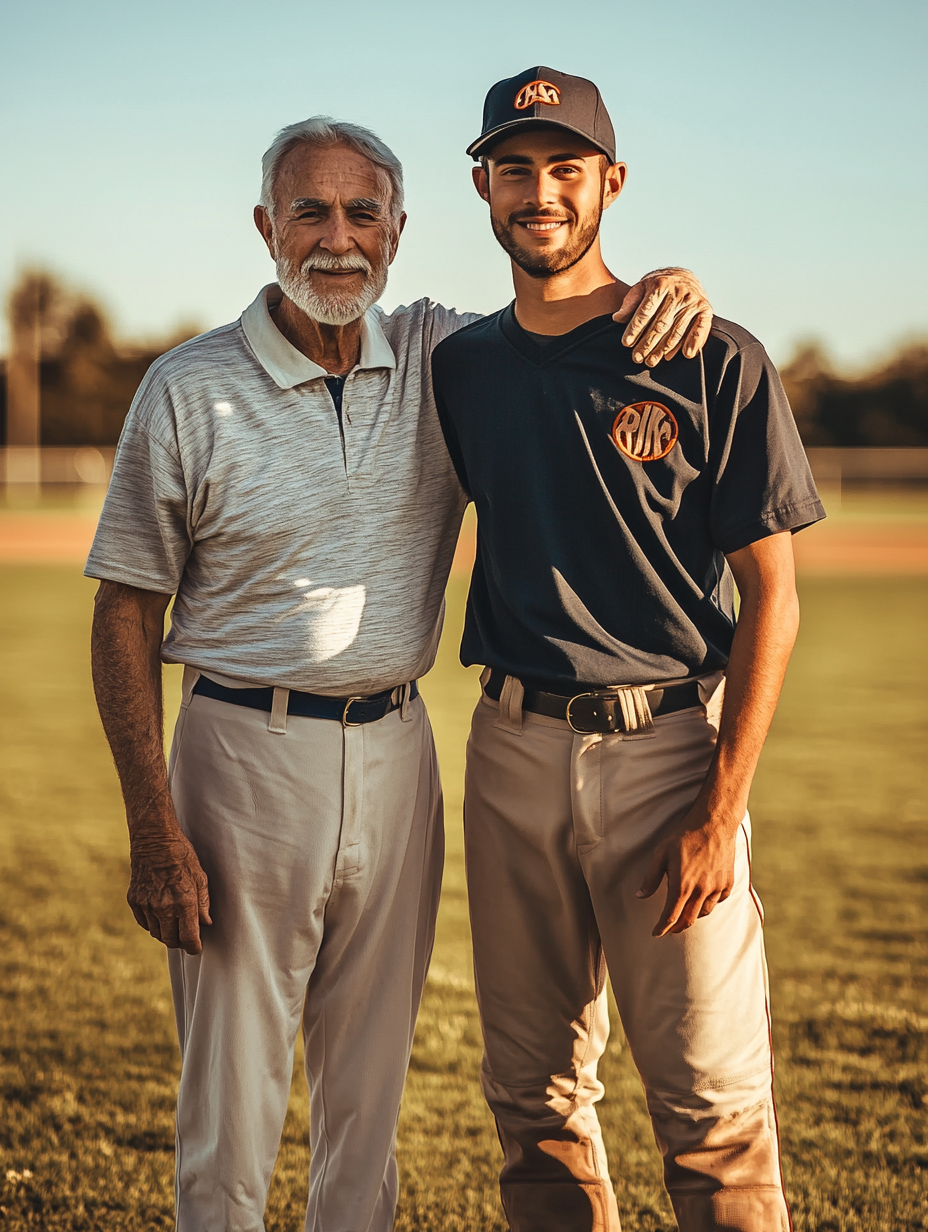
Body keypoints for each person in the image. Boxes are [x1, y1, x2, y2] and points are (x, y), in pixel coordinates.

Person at [86, 115, 713, 1232]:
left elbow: (562, 320)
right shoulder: (186, 387)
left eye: (361, 212)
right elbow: (124, 611)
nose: (337, 239)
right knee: (230, 1108)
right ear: (264, 226)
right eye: (309, 212)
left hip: (397, 746)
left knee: (368, 1101)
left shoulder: (444, 355)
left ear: (400, 228)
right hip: (240, 754)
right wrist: (152, 824)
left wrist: (667, 284)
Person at [431, 66, 826, 1232]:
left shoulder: (711, 355)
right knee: (532, 1098)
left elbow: (774, 599)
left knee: (710, 1105)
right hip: (508, 746)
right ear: (483, 187)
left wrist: (719, 807)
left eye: (565, 168)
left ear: (611, 182)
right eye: (516, 169)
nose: (539, 192)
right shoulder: (458, 368)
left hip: (666, 754)